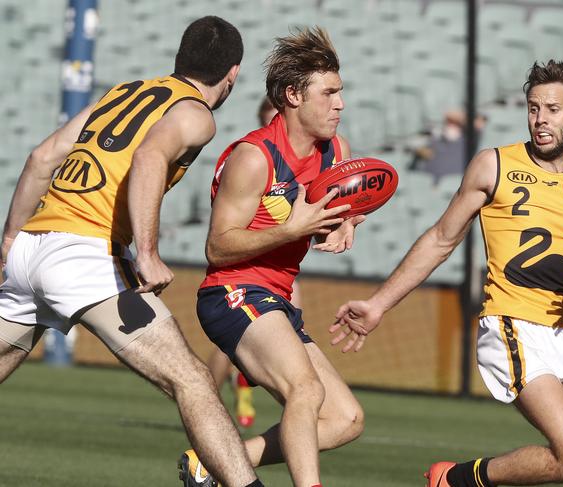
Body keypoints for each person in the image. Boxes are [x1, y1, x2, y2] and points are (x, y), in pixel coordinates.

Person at [332, 60, 563, 487]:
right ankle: (458, 480)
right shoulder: (493, 165)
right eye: (534, 108)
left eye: (553, 109)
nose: (541, 120)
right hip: (511, 325)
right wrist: (377, 304)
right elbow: (441, 239)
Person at [0, 16, 264, 487]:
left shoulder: (123, 91)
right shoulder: (196, 114)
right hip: (85, 253)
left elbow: (41, 158)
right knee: (193, 381)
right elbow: (148, 157)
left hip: (33, 245)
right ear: (233, 75)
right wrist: (147, 251)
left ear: (180, 57)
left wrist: (9, 240)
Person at [181, 27, 365, 487]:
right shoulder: (254, 156)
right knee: (305, 389)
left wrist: (346, 222)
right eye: (329, 93)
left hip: (275, 297)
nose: (340, 103)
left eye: (340, 92)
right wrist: (291, 229)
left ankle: (216, 462)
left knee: (346, 419)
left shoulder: (336, 151)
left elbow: (346, 203)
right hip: (232, 291)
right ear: (292, 95)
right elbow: (217, 246)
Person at [206, 96, 282, 429]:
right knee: (228, 348)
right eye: (270, 117)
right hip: (240, 277)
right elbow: (221, 240)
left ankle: (244, 384)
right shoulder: (252, 158)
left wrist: (346, 222)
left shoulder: (309, 157)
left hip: (281, 273)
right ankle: (207, 404)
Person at [409, 109, 486, 184]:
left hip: (455, 185)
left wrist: (457, 117)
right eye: (448, 123)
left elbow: (479, 124)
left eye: (455, 124)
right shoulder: (434, 140)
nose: (451, 126)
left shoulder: (467, 142)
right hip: (430, 186)